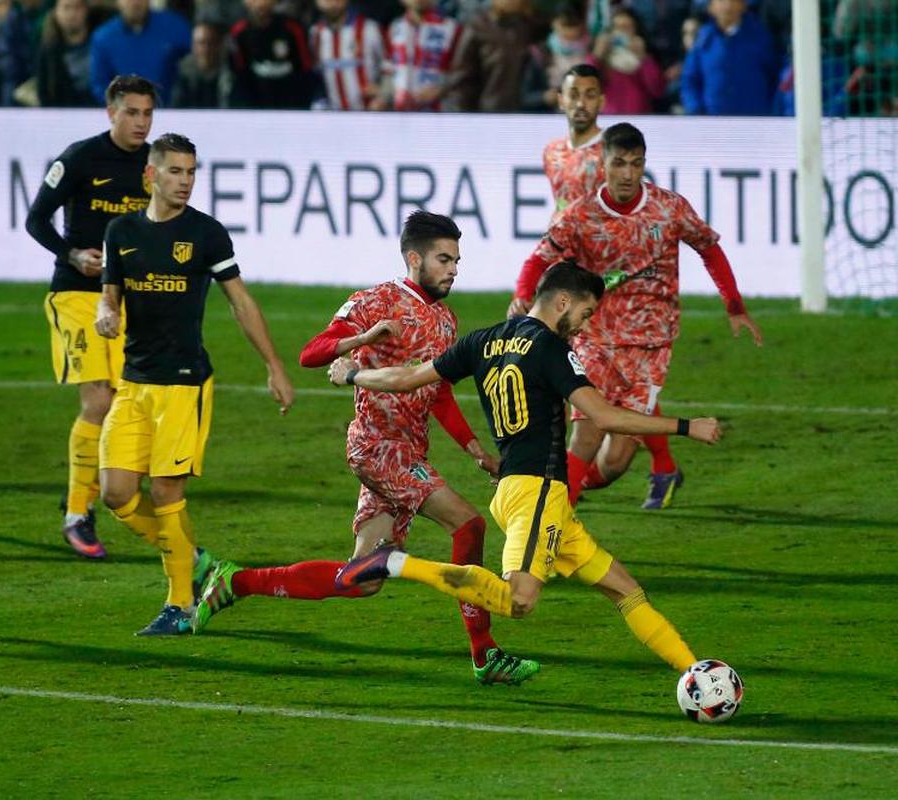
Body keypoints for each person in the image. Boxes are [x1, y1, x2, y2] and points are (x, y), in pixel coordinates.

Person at [193, 211, 538, 686]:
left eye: (457, 260)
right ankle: (485, 652)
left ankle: (234, 581)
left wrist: (475, 448)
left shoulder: (445, 319)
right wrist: (363, 337)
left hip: (409, 452)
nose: (454, 269)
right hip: (377, 448)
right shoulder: (375, 301)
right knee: (469, 523)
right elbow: (312, 353)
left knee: (363, 580)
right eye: (444, 259)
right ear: (414, 258)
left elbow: (437, 392)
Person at [329, 261, 721, 676]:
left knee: (627, 592)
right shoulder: (551, 348)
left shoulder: (482, 340)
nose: (584, 326)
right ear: (563, 301)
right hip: (537, 493)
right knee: (519, 600)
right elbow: (603, 417)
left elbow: (408, 378)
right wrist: (686, 426)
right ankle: (394, 562)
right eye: (585, 314)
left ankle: (695, 671)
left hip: (524, 493)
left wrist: (356, 374)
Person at [96, 132, 295, 635]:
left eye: (191, 172)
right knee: (116, 493)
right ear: (151, 175)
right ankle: (200, 561)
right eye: (175, 172)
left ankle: (180, 603)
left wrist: (273, 364)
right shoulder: (121, 231)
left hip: (184, 384)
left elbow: (240, 302)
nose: (185, 181)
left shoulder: (206, 234)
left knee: (166, 492)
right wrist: (105, 312)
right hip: (134, 382)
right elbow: (110, 295)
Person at [509, 123, 762, 510]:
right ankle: (551, 529)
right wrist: (522, 294)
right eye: (619, 163)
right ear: (603, 163)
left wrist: (734, 305)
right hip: (594, 337)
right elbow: (539, 258)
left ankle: (572, 491)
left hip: (651, 345)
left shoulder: (669, 208)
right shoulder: (581, 216)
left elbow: (708, 248)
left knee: (614, 462)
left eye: (636, 164)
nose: (627, 173)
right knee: (588, 435)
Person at [25, 74, 156, 559]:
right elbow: (36, 219)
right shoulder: (79, 158)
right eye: (132, 113)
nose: (140, 122)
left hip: (126, 300)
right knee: (98, 400)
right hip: (77, 294)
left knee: (127, 401)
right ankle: (78, 513)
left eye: (147, 114)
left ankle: (93, 486)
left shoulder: (154, 164)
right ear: (111, 112)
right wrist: (72, 255)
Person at [680, 0, 779, 116]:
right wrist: (695, 110)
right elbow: (689, 81)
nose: (728, 6)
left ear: (743, 6)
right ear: (710, 8)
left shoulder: (760, 38)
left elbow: (775, 76)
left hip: (754, 122)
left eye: (734, 1)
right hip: (713, 123)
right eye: (721, 1)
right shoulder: (703, 40)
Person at [88, 0, 191, 106]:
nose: (135, 3)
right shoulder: (102, 38)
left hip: (173, 114)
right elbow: (100, 85)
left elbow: (195, 69)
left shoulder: (176, 26)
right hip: (124, 115)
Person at [541, 63, 604, 227]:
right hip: (561, 247)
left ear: (601, 101)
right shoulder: (552, 151)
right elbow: (562, 202)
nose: (581, 104)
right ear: (561, 100)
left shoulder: (614, 151)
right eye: (574, 95)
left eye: (589, 96)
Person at [227, 0, 317, 109]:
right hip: (256, 105)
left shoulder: (293, 28)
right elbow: (239, 74)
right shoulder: (239, 32)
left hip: (292, 104)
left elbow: (306, 70)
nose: (260, 3)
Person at [309, 0, 386, 111]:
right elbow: (315, 77)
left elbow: (390, 66)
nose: (332, 2)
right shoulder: (315, 34)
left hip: (369, 114)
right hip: (331, 117)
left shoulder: (370, 29)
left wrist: (384, 93)